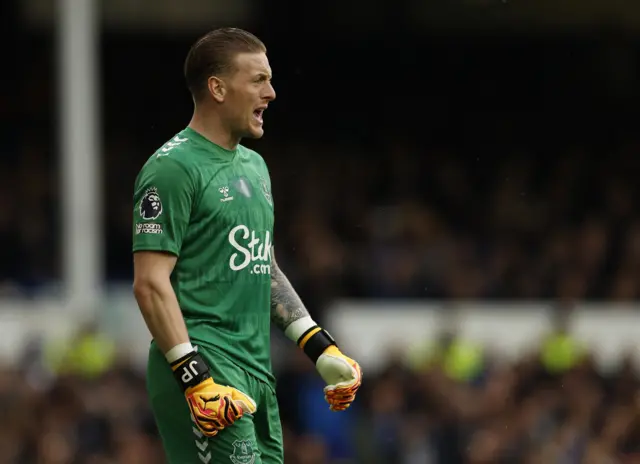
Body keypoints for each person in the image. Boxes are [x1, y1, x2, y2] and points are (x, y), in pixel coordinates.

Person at [131, 27, 362, 464]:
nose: (271, 93)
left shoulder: (255, 167)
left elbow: (264, 267)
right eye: (258, 80)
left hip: (256, 371)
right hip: (205, 366)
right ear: (217, 88)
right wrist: (193, 376)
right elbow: (149, 283)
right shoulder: (172, 169)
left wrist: (318, 345)